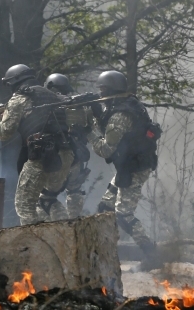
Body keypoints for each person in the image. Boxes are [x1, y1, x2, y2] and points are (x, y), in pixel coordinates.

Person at [81, 70, 162, 269]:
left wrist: (87, 131)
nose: (100, 94)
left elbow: (106, 148)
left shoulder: (120, 114)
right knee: (105, 208)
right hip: (131, 164)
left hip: (134, 168)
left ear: (110, 90)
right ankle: (100, 254)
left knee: (123, 215)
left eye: (102, 90)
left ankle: (152, 255)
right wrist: (94, 118)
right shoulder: (126, 105)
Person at [0, 64, 72, 225]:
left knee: (24, 207)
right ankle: (66, 238)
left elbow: (3, 133)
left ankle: (34, 246)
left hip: (43, 156)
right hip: (65, 155)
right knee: (48, 200)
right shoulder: (51, 95)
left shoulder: (19, 98)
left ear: (14, 82)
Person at [42, 73, 92, 219]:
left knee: (46, 198)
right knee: (75, 190)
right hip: (78, 155)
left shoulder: (50, 107)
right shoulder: (80, 106)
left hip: (58, 157)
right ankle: (74, 222)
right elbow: (89, 128)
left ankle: (61, 227)